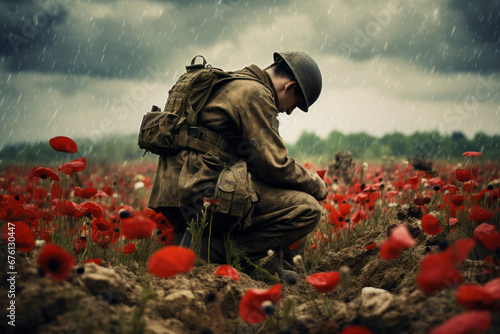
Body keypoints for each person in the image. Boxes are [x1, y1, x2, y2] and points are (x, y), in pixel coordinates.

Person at [148, 51, 328, 279]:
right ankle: (212, 253)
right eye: (296, 104)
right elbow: (274, 165)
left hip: (178, 192)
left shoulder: (234, 82)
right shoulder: (256, 95)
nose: (289, 111)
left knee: (289, 192)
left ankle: (210, 246)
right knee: (307, 209)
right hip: (204, 195)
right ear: (290, 87)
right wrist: (316, 183)